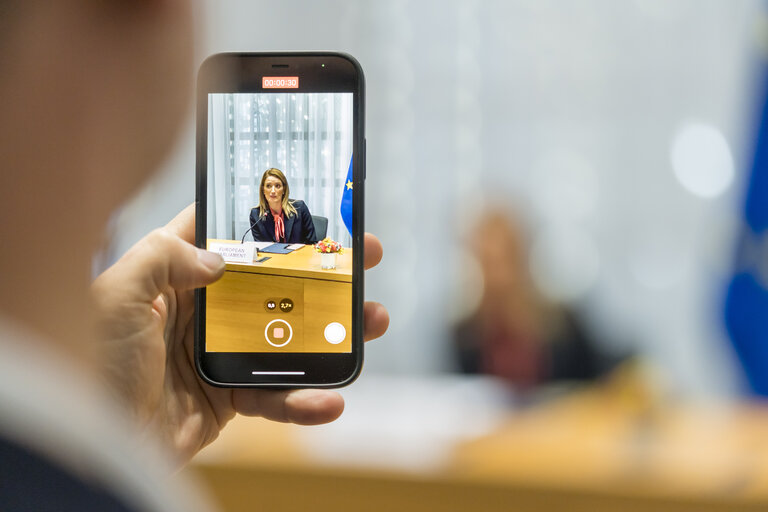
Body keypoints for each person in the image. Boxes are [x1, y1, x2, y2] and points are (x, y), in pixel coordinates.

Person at [0, 1, 388, 510]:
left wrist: (118, 432)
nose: (271, 191)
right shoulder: (252, 218)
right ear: (152, 10)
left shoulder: (303, 215)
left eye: (277, 184)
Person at [250, 168, 317, 244]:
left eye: (277, 186)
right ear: (263, 190)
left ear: (284, 190)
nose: (273, 191)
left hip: (297, 255)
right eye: (268, 186)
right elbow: (260, 247)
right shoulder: (256, 215)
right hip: (271, 255)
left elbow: (312, 243)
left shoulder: (300, 208)